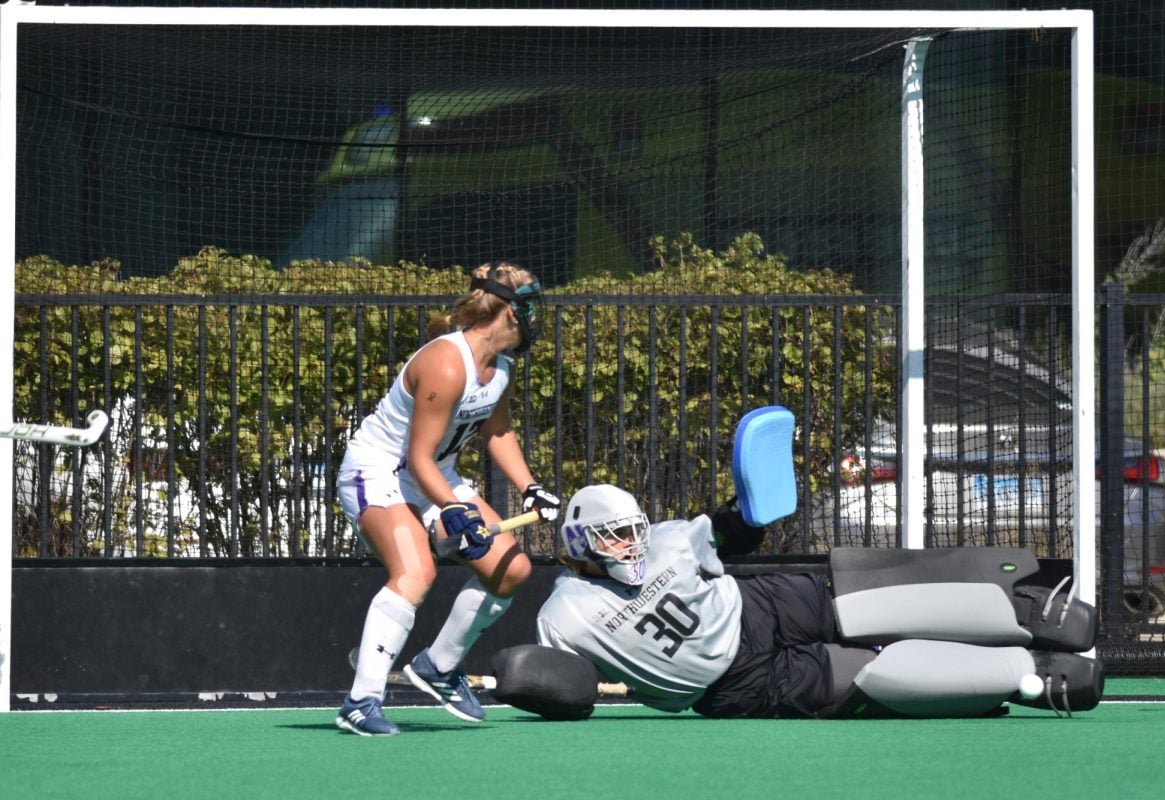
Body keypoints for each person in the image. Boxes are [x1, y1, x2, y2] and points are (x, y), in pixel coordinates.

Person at [534, 484, 1103, 719]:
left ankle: (1027, 615)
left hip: (757, 605)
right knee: (871, 679)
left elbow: (732, 531)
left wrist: (750, 506)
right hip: (735, 685)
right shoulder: (563, 614)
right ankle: (1027, 675)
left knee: (865, 606)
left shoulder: (666, 538)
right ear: (580, 540)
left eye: (633, 530)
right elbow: (566, 684)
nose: (629, 544)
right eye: (613, 535)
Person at [334, 261, 561, 736]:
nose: (539, 318)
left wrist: (530, 486)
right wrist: (455, 509)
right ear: (511, 314)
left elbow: (497, 432)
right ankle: (360, 701)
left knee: (511, 570)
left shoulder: (500, 367)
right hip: (379, 472)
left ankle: (438, 666)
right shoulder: (444, 362)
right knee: (416, 572)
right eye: (533, 308)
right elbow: (416, 456)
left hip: (434, 475)